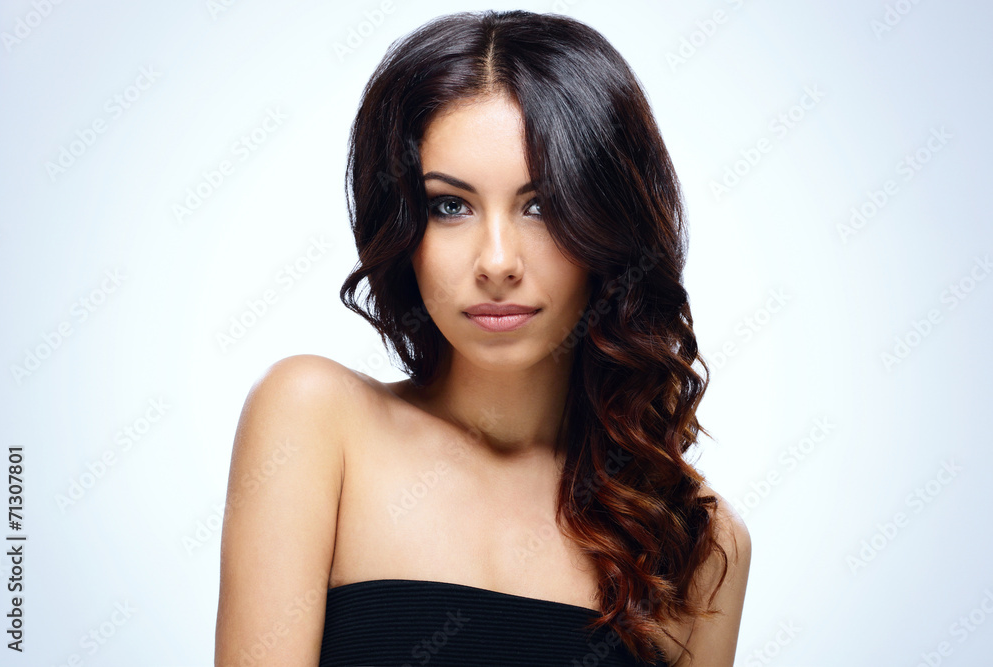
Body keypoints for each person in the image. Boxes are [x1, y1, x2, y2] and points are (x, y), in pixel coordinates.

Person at [215, 9, 750, 667]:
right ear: (405, 227)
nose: (497, 261)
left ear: (609, 228)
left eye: (542, 205)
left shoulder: (693, 536)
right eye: (450, 205)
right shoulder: (315, 419)